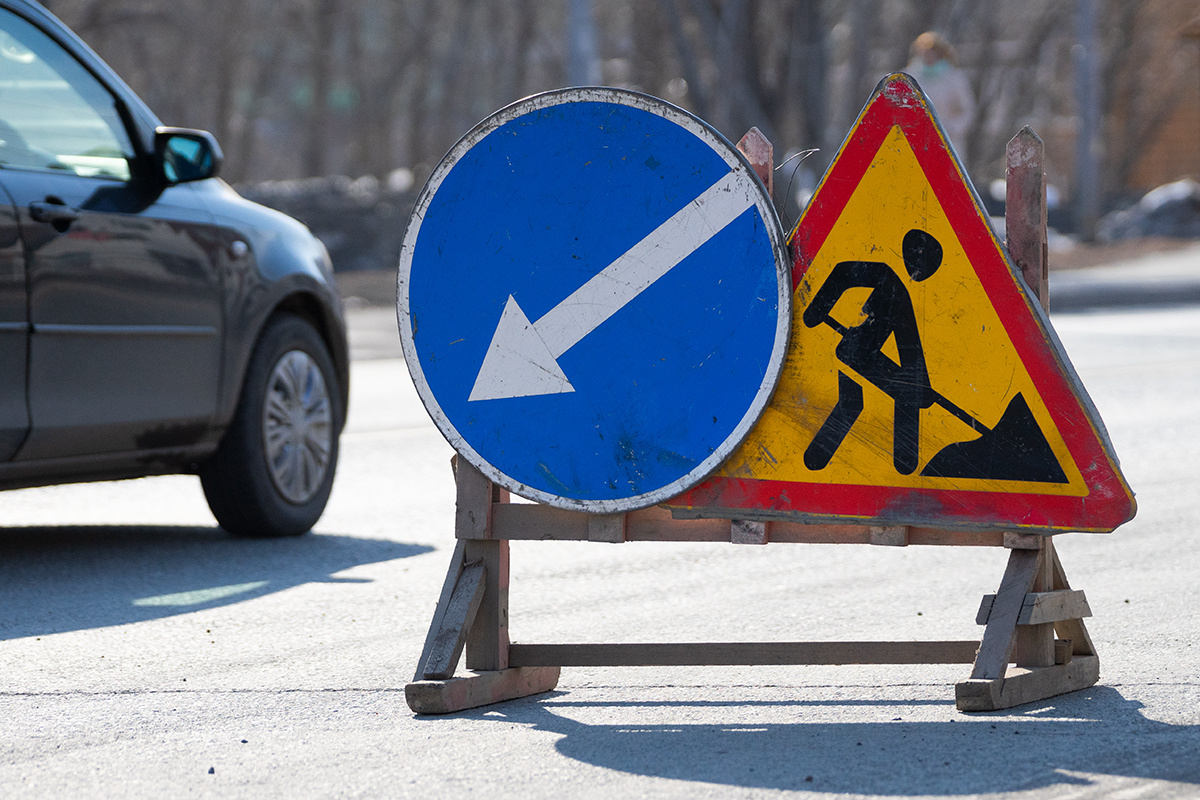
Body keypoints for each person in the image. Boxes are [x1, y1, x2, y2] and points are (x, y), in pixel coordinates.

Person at [906, 31, 975, 162]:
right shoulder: (910, 77)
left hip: (948, 143)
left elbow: (967, 111)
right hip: (916, 143)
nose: (927, 55)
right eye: (923, 51)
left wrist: (950, 128)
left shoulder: (954, 78)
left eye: (931, 52)